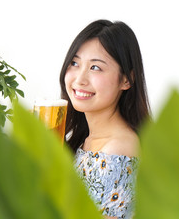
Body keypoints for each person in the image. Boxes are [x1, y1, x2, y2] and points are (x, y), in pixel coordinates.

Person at [59, 19, 150, 219]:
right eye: (75, 63)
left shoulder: (116, 150)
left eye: (95, 68)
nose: (79, 79)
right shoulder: (86, 140)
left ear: (127, 79)